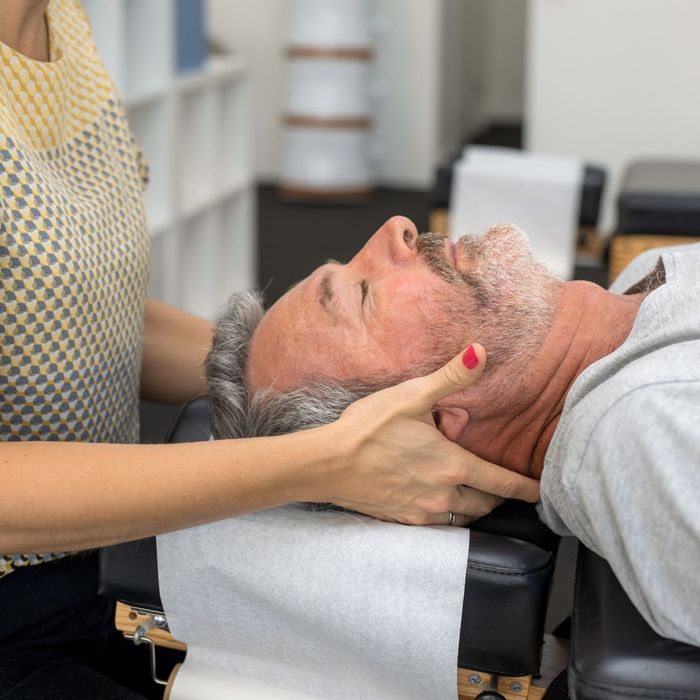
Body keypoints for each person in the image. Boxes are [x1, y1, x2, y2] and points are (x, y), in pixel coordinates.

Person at [0, 2, 539, 697]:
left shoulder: (64, 24)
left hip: (105, 557)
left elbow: (72, 314)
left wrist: (309, 387)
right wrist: (322, 460)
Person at [207, 215, 700, 647]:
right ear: (429, 425)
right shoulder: (644, 434)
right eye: (362, 293)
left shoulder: (641, 280)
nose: (396, 229)